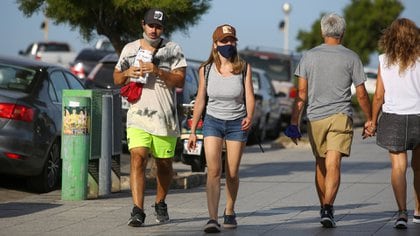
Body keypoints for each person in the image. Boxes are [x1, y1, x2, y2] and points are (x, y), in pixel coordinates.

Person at [284, 13, 372, 228]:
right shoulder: (352, 57)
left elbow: (301, 93)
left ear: (323, 32)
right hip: (341, 116)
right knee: (334, 163)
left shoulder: (308, 57)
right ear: (342, 32)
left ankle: (325, 207)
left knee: (321, 164)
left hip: (315, 118)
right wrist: (371, 119)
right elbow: (361, 94)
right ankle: (328, 207)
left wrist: (294, 123)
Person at [113, 8, 187, 227]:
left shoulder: (173, 49)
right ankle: (137, 210)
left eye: (158, 26)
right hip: (138, 116)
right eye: (150, 25)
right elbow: (117, 78)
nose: (154, 30)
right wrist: (128, 73)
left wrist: (157, 71)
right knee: (138, 158)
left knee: (164, 165)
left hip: (165, 119)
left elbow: (180, 80)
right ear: (142, 25)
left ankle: (160, 202)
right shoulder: (130, 49)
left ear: (163, 29)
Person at [187, 24, 255, 233]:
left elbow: (249, 96)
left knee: (232, 173)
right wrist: (192, 131)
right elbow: (200, 100)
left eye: (232, 40)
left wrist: (250, 116)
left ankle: (230, 210)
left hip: (236, 123)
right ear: (215, 44)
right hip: (212, 122)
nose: (229, 44)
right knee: (214, 171)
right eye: (224, 41)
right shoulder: (205, 69)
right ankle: (212, 218)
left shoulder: (243, 67)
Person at [365, 18, 420, 229]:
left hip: (394, 118)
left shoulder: (384, 60)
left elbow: (378, 95)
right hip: (418, 117)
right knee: (419, 169)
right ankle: (418, 211)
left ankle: (401, 213)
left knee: (398, 167)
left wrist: (372, 120)